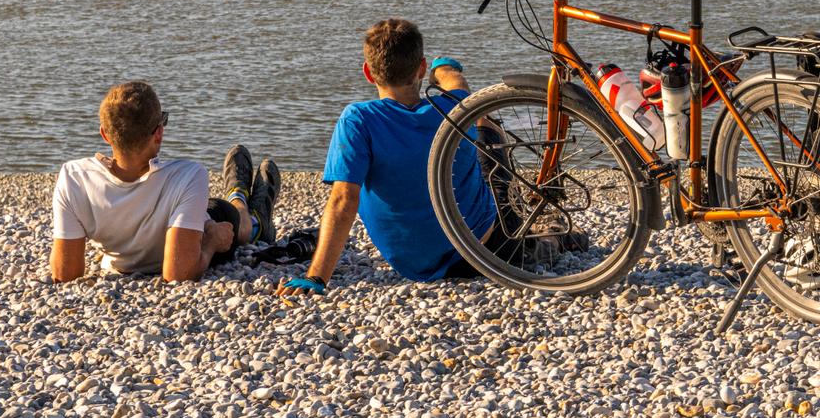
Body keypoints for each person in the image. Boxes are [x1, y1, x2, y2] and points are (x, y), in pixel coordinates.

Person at [277, 19, 496, 295]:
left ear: (368, 73)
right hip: (483, 251)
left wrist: (316, 278)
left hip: (415, 265)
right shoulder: (450, 105)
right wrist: (443, 67)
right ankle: (554, 235)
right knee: (483, 120)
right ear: (421, 68)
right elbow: (458, 82)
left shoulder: (359, 120)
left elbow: (344, 199)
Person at [50, 80, 281, 282]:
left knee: (199, 209)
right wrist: (211, 242)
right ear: (158, 133)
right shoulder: (188, 175)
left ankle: (241, 197)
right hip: (197, 222)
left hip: (144, 239)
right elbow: (178, 274)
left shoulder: (74, 178)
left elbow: (65, 274)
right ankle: (249, 212)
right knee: (229, 218)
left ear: (105, 134)